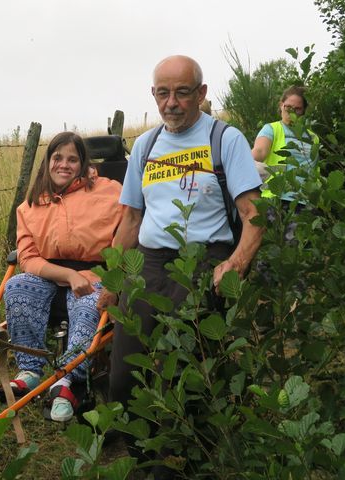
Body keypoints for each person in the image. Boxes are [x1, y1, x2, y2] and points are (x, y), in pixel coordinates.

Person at [97, 55, 263, 475]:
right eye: (163, 93)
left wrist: (235, 265)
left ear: (202, 94)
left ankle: (193, 462)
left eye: (182, 92)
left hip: (203, 262)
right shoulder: (146, 147)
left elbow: (255, 215)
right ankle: (144, 461)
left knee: (193, 374)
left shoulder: (225, 140)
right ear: (153, 95)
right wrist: (113, 278)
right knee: (124, 377)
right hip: (149, 265)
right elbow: (131, 218)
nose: (172, 102)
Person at [3, 132, 123, 422]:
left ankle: (68, 380)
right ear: (47, 162)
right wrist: (68, 275)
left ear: (83, 163)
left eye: (73, 159)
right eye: (58, 158)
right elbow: (28, 257)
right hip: (51, 274)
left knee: (88, 303)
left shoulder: (110, 192)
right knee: (16, 285)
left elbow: (126, 235)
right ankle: (30, 370)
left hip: (95, 274)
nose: (64, 165)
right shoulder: (30, 204)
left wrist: (111, 280)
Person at [251, 85, 318, 202]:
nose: (292, 112)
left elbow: (315, 170)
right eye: (288, 107)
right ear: (281, 105)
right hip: (277, 200)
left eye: (297, 109)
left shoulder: (313, 137)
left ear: (303, 111)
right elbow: (259, 151)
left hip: (307, 201)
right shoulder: (271, 129)